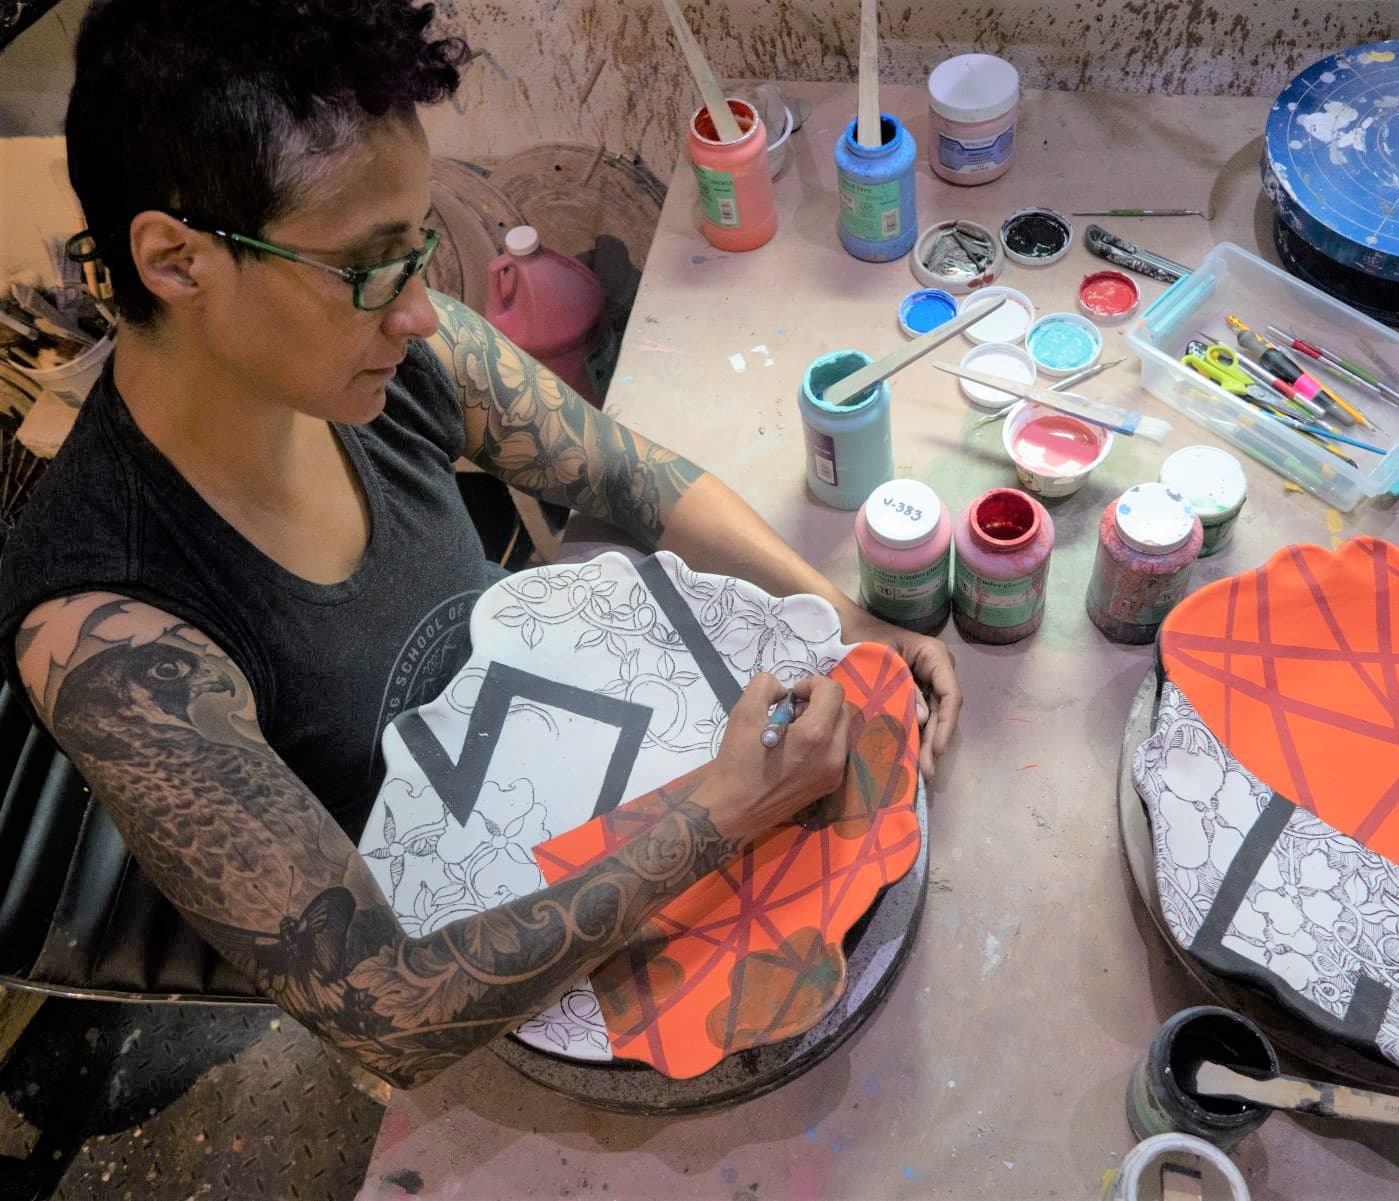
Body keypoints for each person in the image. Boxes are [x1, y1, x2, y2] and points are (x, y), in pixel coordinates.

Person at [0, 0, 961, 1088]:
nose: (419, 310)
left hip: (564, 779)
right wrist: (725, 807)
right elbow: (387, 1015)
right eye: (368, 268)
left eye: (416, 250)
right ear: (176, 261)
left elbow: (621, 471)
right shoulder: (108, 634)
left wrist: (841, 614)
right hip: (463, 967)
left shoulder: (385, 353)